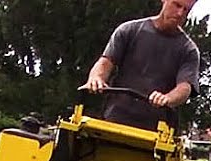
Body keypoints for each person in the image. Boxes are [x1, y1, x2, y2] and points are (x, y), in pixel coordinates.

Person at [82, 0, 201, 130]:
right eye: (177, 5)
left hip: (156, 131)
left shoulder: (188, 50)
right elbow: (105, 62)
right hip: (115, 120)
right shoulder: (129, 30)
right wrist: (96, 78)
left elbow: (185, 87)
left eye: (186, 10)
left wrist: (167, 98)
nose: (179, 13)